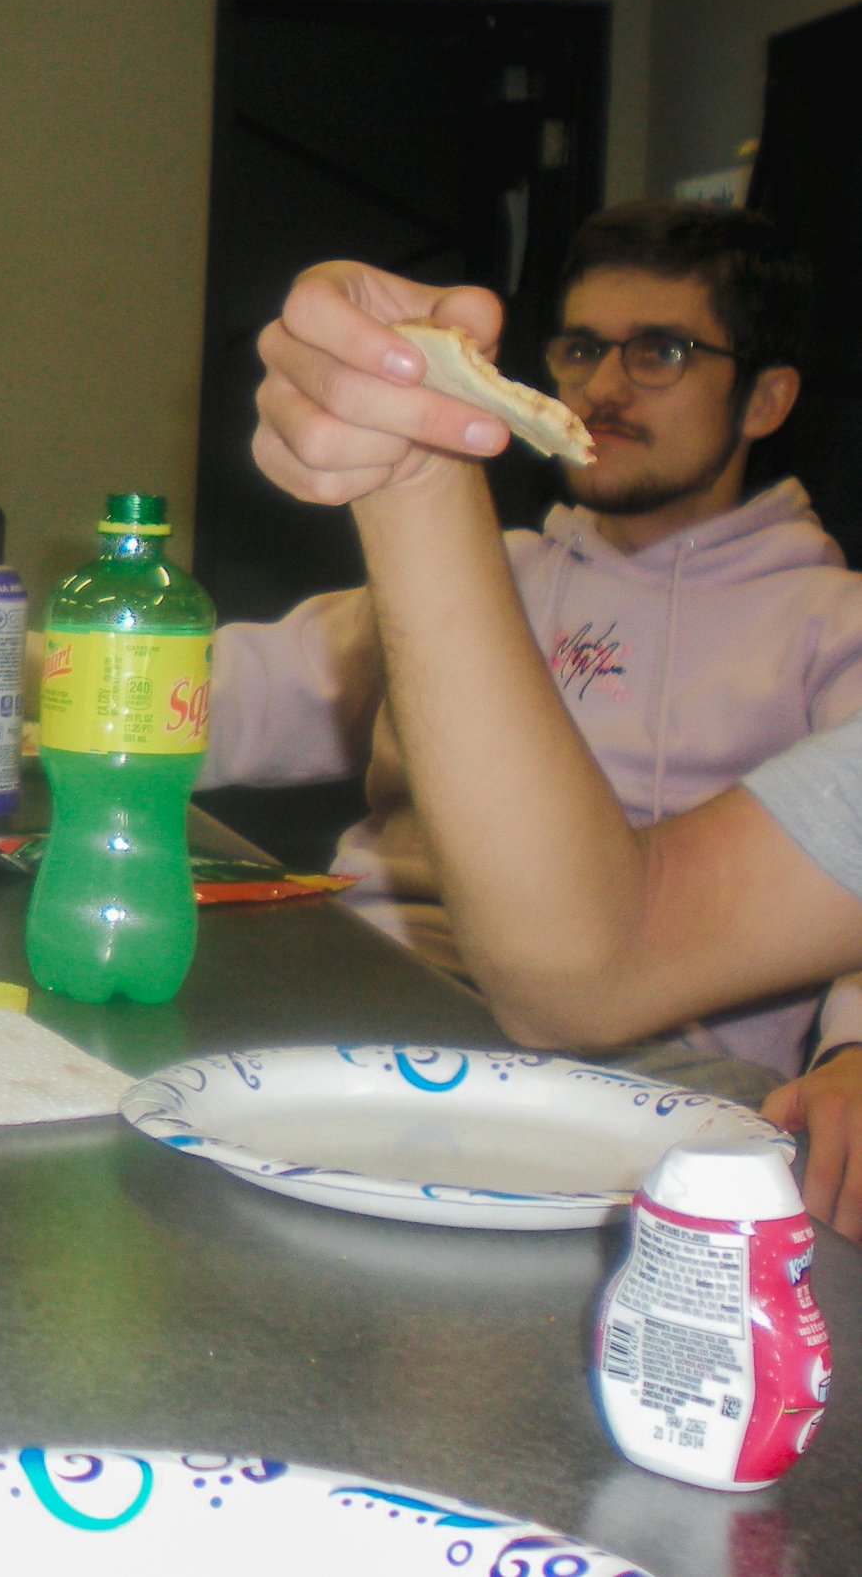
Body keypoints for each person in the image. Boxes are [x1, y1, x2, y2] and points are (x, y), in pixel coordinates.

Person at [253, 215, 862, 1239]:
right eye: (580, 348)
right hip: (369, 993)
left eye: (659, 351)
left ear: (766, 398)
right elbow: (235, 683)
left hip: (646, 1079)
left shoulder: (831, 622)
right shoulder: (499, 569)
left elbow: (607, 961)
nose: (603, 386)